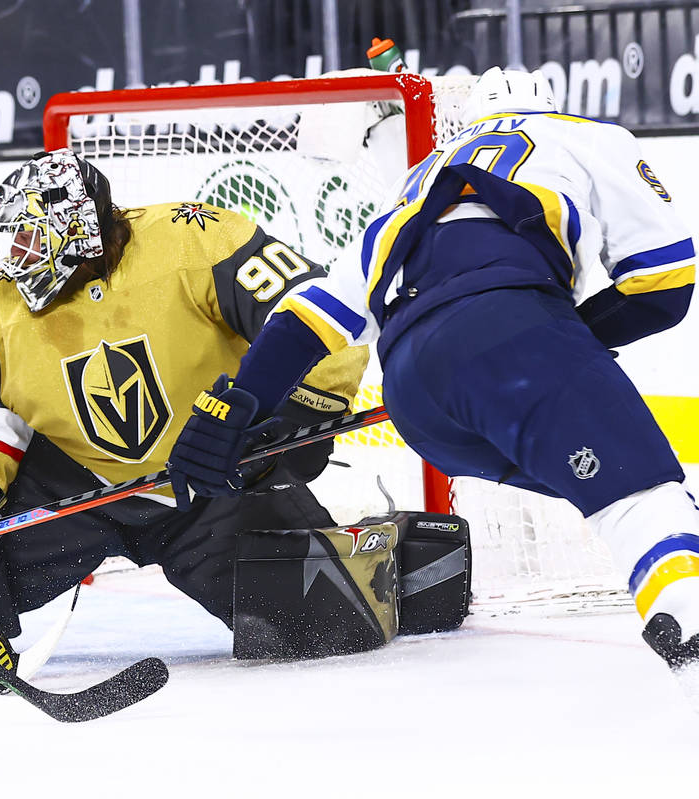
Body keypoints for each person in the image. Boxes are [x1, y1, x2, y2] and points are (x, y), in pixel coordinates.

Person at [0, 148, 471, 667]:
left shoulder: (194, 238)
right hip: (73, 488)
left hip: (208, 479)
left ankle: (401, 546)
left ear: (70, 225)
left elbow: (315, 314)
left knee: (316, 622)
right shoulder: (3, 307)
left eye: (25, 236)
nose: (12, 255)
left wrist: (299, 413)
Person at [168, 67, 699, 701]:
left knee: (606, 489)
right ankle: (690, 619)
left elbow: (310, 316)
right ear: (550, 105)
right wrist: (557, 338)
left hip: (418, 402)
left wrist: (235, 405)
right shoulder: (586, 137)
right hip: (511, 334)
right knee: (640, 496)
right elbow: (665, 288)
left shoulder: (416, 180)